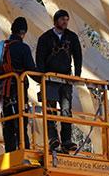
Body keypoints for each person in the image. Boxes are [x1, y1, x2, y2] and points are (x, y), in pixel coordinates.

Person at [35, 9, 83, 153]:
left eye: (67, 20)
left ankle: (66, 141)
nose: (65, 22)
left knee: (66, 110)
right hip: (49, 79)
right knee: (50, 110)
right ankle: (53, 139)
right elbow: (40, 58)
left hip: (66, 79)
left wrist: (77, 75)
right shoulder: (45, 38)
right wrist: (43, 77)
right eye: (63, 19)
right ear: (56, 21)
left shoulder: (71, 37)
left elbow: (78, 56)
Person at [0, 17, 36, 153]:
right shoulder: (23, 48)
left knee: (7, 120)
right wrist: (44, 78)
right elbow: (31, 69)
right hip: (18, 89)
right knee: (21, 120)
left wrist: (0, 82)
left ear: (12, 30)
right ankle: (24, 149)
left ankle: (10, 151)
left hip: (4, 90)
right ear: (23, 33)